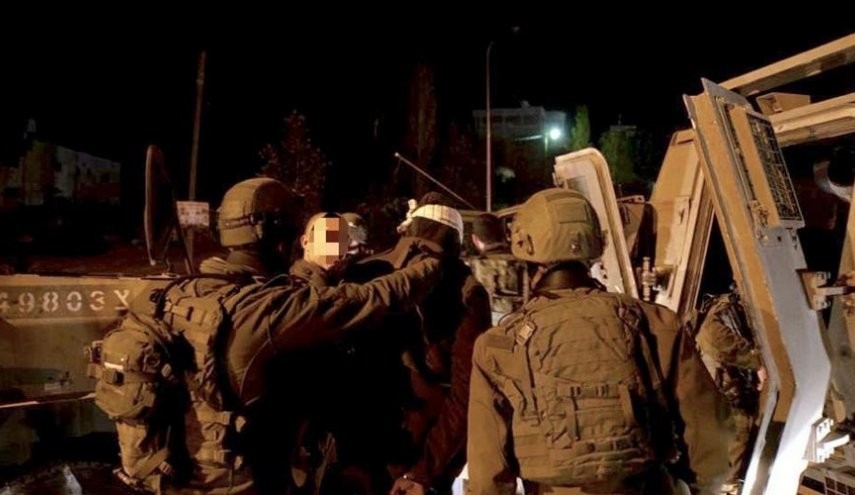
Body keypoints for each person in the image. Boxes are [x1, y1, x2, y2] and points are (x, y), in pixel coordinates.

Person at [90, 178, 442, 494]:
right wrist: (430, 261)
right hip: (239, 483)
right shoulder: (267, 310)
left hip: (173, 477)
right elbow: (371, 299)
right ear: (285, 242)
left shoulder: (168, 296)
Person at [467, 188, 730, 495]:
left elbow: (488, 476)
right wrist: (701, 487)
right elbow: (710, 429)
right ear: (596, 244)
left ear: (525, 247)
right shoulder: (657, 324)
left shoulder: (497, 346)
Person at [694, 290, 766, 495]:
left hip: (731, 398)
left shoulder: (732, 313)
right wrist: (757, 362)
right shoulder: (723, 314)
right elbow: (713, 338)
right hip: (724, 400)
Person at [466, 212, 526, 324]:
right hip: (522, 325)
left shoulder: (469, 269)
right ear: (504, 235)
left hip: (485, 328)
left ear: (475, 239)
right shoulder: (525, 264)